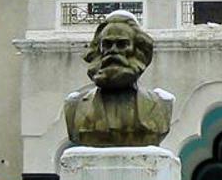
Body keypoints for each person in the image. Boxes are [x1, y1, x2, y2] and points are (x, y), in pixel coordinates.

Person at [63, 11, 172, 147]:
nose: (113, 51)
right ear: (99, 50)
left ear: (138, 50)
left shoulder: (160, 105)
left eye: (122, 44)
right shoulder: (74, 107)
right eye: (107, 45)